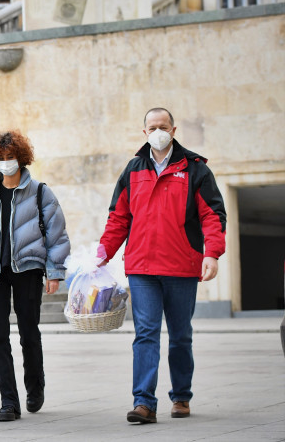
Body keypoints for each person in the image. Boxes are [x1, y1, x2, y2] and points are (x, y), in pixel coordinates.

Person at [99, 108, 226, 424]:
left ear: (174, 129)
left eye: (164, 126)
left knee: (181, 335)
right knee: (146, 334)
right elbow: (118, 217)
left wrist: (212, 253)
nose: (158, 131)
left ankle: (181, 395)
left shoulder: (195, 169)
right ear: (144, 132)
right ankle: (143, 403)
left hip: (182, 266)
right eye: (152, 127)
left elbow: (213, 215)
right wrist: (100, 256)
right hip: (142, 268)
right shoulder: (132, 170)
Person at [0, 130, 71, 422]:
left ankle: (35, 386)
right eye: (0, 158)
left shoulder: (40, 192)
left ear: (21, 159)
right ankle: (9, 402)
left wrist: (55, 271)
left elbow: (57, 234)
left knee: (29, 333)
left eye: (11, 158)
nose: (6, 163)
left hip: (28, 270)